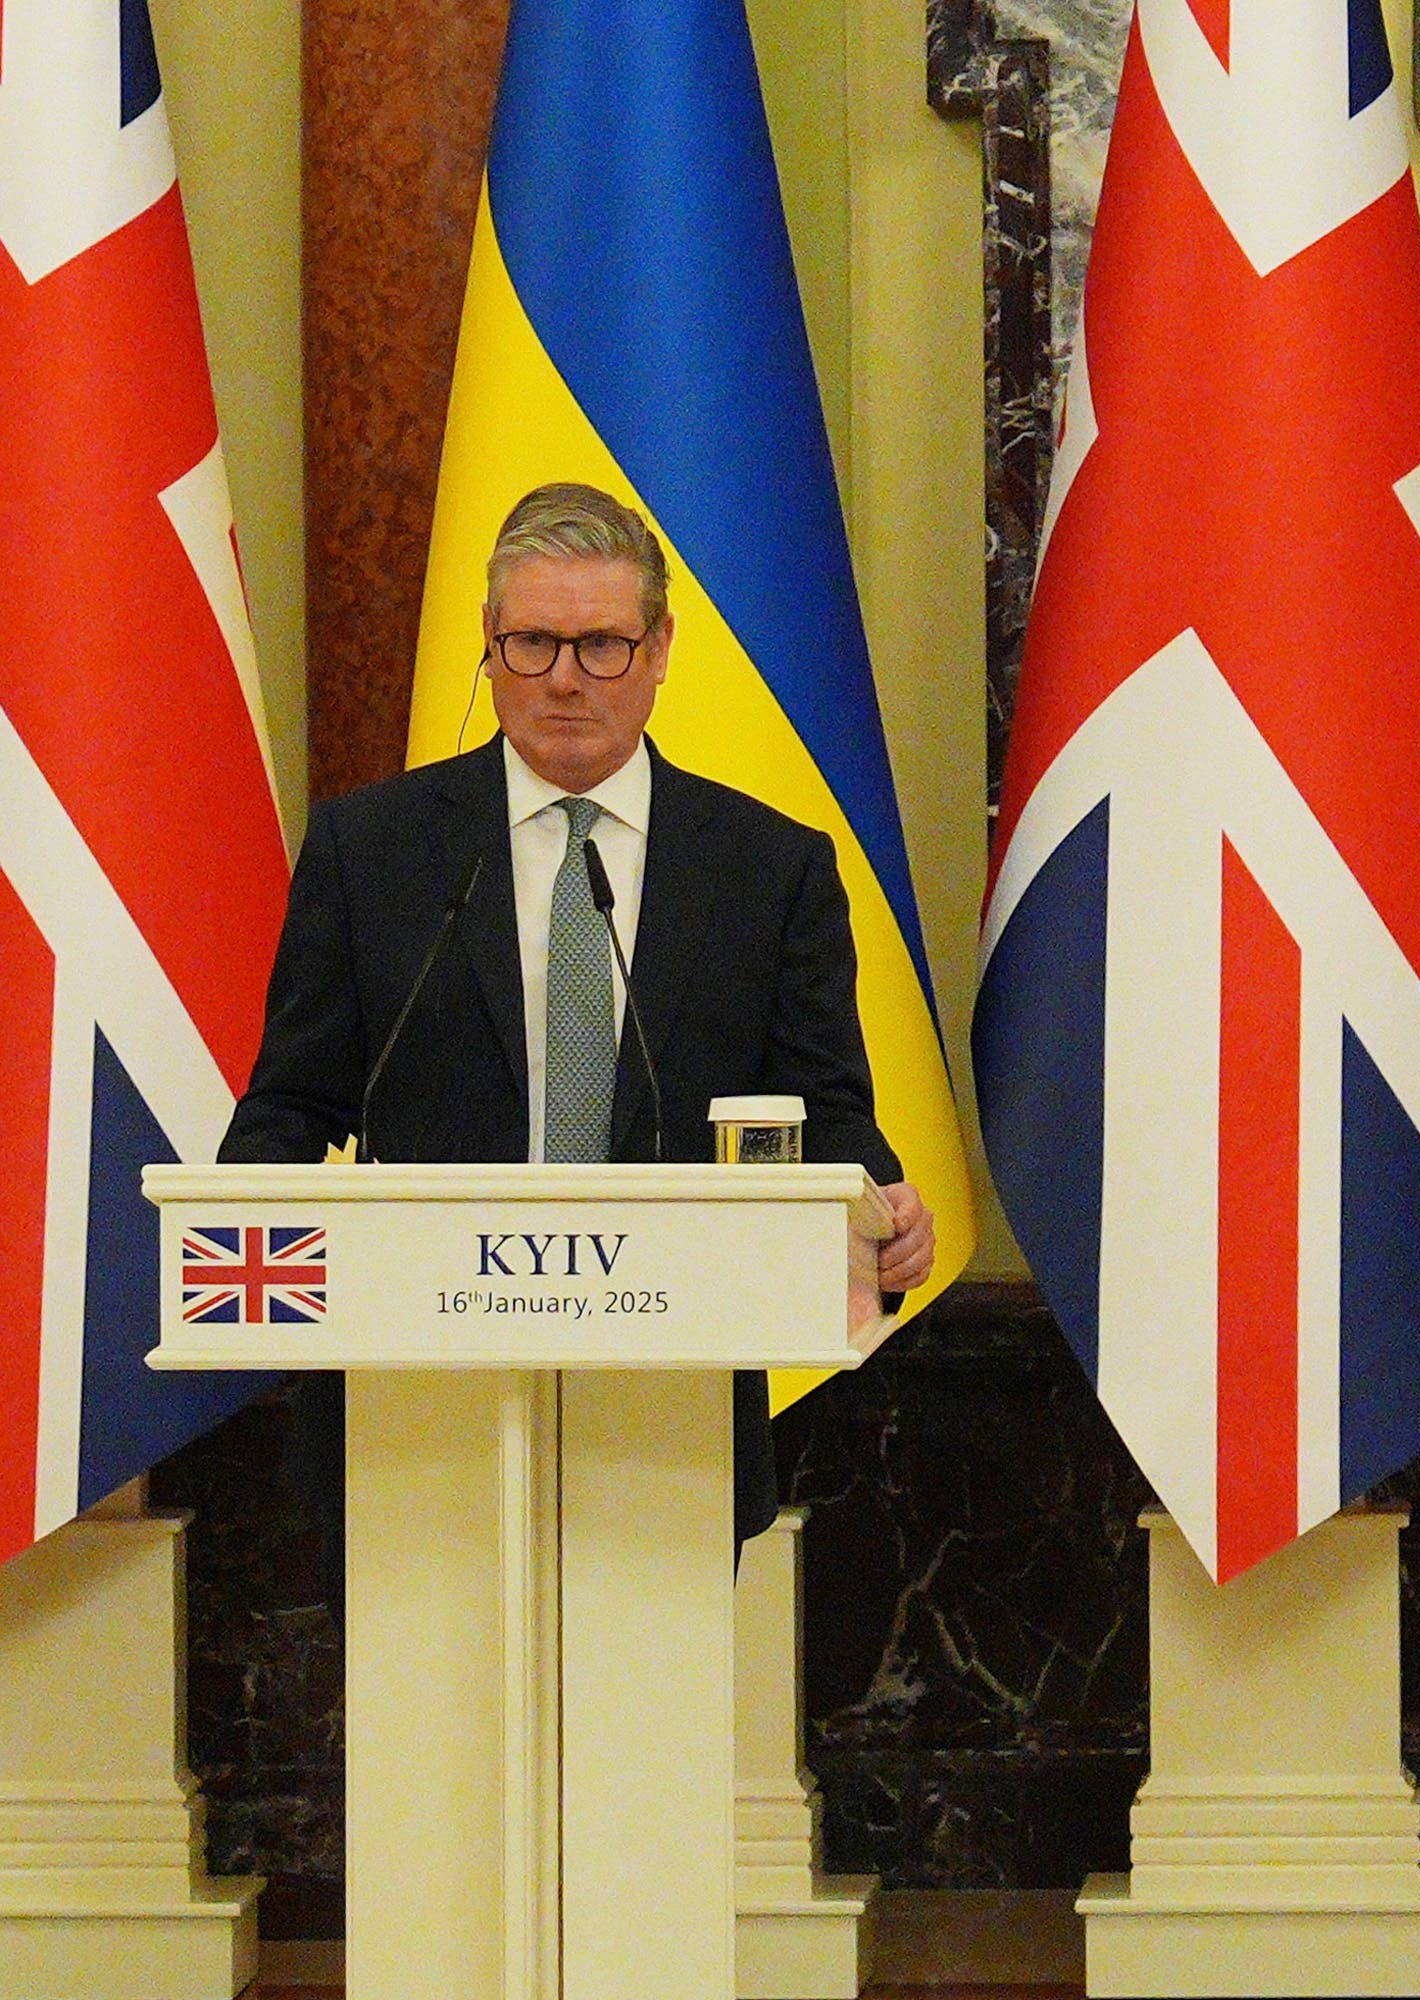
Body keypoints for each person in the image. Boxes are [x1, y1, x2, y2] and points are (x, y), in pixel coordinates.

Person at [222, 481, 936, 1551]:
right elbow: (290, 1103)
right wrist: (233, 1232)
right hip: (410, 1426)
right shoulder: (373, 854)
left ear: (658, 650)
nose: (563, 679)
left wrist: (882, 1203)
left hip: (671, 1418)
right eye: (533, 643)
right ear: (489, 644)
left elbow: (823, 1108)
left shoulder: (767, 867)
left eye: (600, 644)